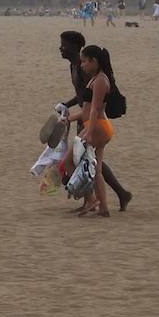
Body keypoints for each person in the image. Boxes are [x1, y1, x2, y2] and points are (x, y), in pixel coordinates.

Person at [56, 30, 131, 211]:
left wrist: (82, 123)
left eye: (64, 45)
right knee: (90, 162)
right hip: (87, 117)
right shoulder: (75, 66)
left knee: (85, 162)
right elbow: (83, 96)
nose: (61, 48)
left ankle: (94, 200)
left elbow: (92, 101)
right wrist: (67, 105)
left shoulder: (88, 71)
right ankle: (106, 200)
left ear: (75, 47)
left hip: (91, 120)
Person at [66, 45, 118, 218]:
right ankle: (103, 207)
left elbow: (95, 108)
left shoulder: (101, 80)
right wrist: (69, 119)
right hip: (97, 126)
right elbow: (86, 110)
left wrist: (88, 132)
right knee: (96, 168)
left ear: (94, 61)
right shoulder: (96, 78)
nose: (82, 66)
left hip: (97, 127)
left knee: (68, 162)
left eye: (84, 62)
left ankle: (91, 199)